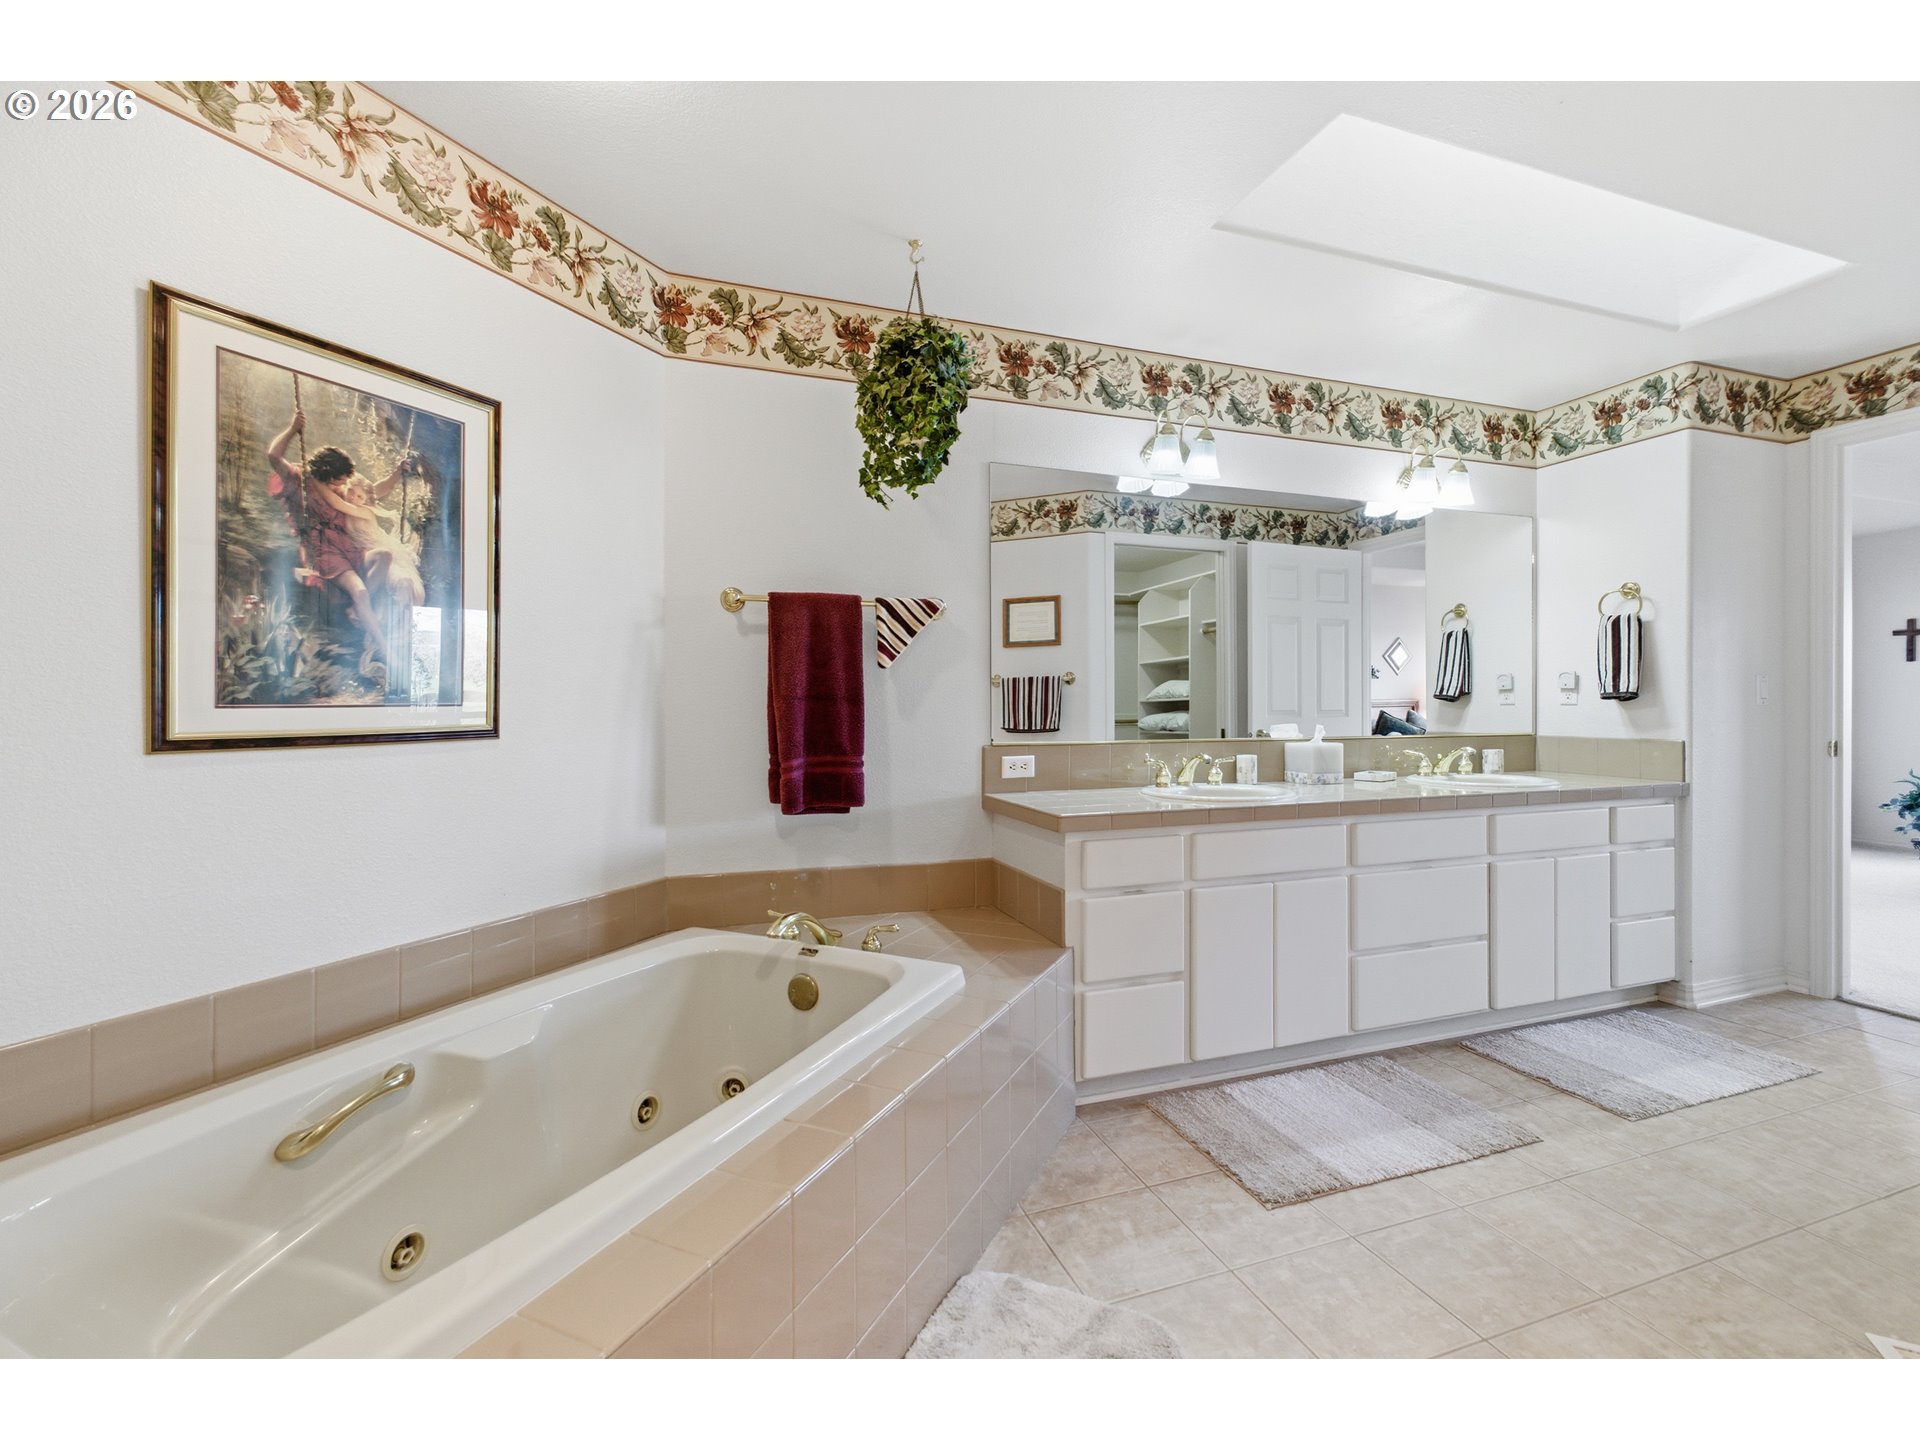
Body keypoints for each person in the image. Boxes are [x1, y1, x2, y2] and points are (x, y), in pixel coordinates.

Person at [266, 406, 426, 677]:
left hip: (349, 546)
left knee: (384, 556)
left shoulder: (336, 488)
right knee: (362, 592)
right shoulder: (299, 479)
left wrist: (398, 473)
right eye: (339, 480)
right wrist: (293, 429)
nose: (343, 484)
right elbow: (273, 455)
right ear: (327, 475)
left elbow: (374, 491)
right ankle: (386, 650)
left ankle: (357, 609)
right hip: (326, 551)